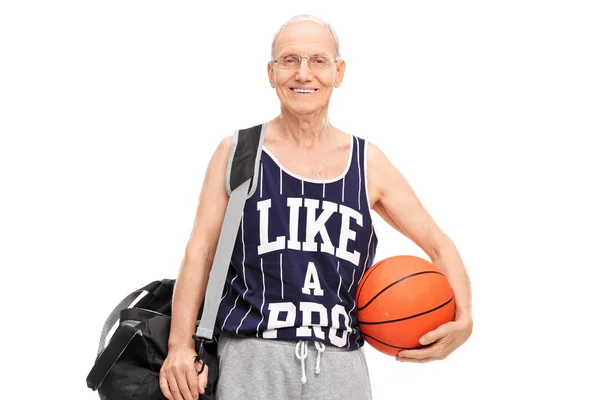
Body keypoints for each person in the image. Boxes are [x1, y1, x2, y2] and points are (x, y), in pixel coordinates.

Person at [159, 14, 473, 400]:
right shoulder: (238, 151)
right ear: (271, 73)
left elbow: (439, 245)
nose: (303, 74)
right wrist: (179, 347)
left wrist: (465, 321)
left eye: (318, 61)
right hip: (252, 355)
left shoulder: (366, 162)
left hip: (339, 363)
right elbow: (200, 253)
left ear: (339, 73)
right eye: (289, 60)